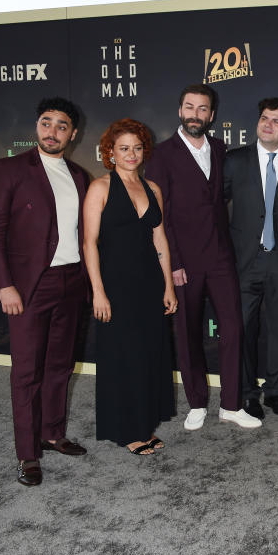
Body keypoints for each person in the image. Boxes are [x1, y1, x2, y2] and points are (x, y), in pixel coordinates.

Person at [0, 97, 90, 486]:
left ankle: (53, 433)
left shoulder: (78, 176)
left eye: (62, 126)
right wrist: (4, 284)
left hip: (71, 282)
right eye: (47, 123)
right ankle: (28, 454)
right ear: (37, 126)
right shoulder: (8, 169)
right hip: (28, 287)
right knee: (27, 372)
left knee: (60, 365)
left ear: (72, 134)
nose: (52, 131)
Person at [144, 84, 261, 430]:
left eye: (203, 109)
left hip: (222, 257)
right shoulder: (161, 154)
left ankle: (230, 404)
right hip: (184, 261)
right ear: (180, 111)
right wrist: (173, 262)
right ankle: (196, 402)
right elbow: (158, 214)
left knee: (233, 330)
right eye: (190, 107)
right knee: (187, 331)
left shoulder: (221, 148)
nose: (196, 114)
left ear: (212, 115)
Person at [82, 119, 178, 455]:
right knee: (123, 357)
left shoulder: (154, 190)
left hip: (150, 283)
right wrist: (97, 291)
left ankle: (145, 423)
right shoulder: (100, 188)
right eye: (124, 148)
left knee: (148, 355)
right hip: (115, 286)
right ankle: (128, 431)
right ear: (110, 152)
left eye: (137, 147)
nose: (131, 154)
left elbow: (159, 238)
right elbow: (89, 243)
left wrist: (168, 285)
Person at [224, 98, 278, 420]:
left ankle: (275, 392)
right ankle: (248, 393)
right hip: (244, 260)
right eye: (264, 118)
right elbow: (214, 207)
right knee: (243, 329)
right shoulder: (234, 161)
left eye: (276, 120)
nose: (268, 124)